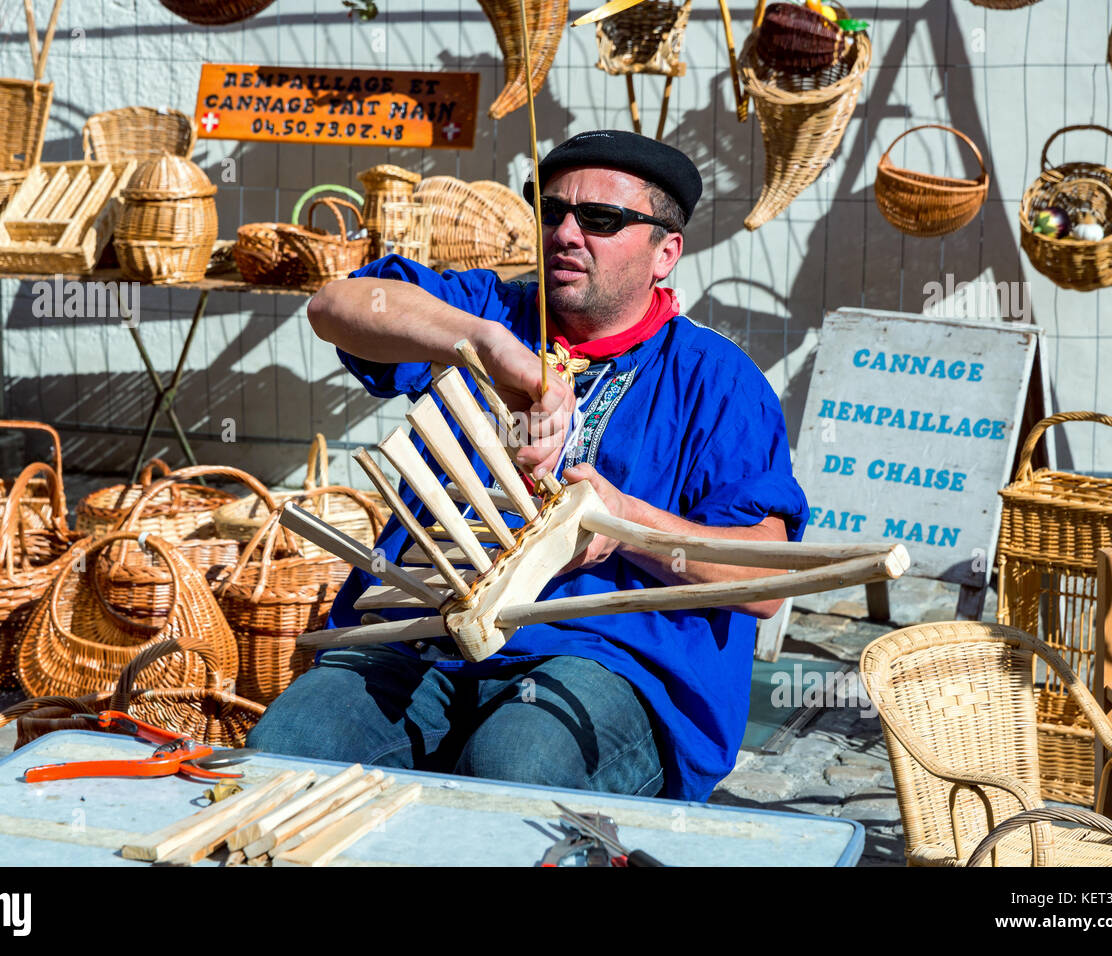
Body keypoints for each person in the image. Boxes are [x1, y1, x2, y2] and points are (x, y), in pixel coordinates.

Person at [247, 129, 809, 802]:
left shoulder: (717, 380)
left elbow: (766, 579)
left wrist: (623, 521)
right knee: (287, 750)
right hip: (424, 636)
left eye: (600, 220)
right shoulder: (492, 311)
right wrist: (485, 344)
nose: (566, 232)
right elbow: (333, 306)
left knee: (514, 765)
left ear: (666, 252)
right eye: (550, 210)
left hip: (605, 656)